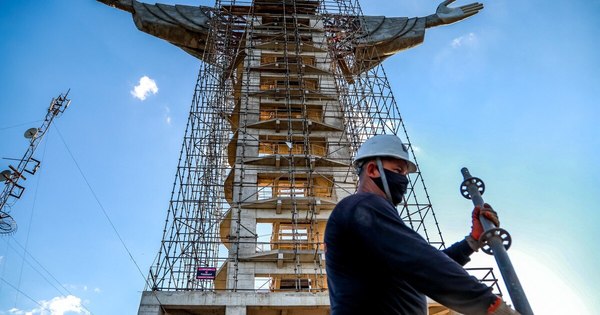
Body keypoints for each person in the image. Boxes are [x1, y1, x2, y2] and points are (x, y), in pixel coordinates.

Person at [324, 135, 519, 315]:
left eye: (406, 174)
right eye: (398, 171)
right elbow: (422, 262)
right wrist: (491, 306)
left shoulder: (375, 226)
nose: (404, 180)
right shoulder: (362, 205)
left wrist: (471, 242)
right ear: (373, 170)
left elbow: (420, 266)